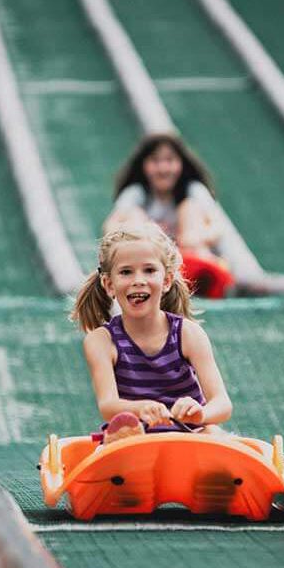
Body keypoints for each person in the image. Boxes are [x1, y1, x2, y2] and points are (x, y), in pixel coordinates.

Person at [71, 223, 232, 444]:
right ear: (109, 285)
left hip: (189, 435)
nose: (138, 280)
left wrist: (200, 413)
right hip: (133, 437)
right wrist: (142, 408)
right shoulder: (102, 340)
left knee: (214, 435)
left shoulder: (187, 334)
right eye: (126, 272)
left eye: (149, 270)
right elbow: (108, 405)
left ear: (166, 280)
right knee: (113, 442)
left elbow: (222, 403)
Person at [104, 133, 235, 298]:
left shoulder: (192, 190)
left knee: (189, 208)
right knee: (134, 216)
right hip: (152, 258)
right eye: (155, 161)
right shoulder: (138, 193)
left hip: (189, 257)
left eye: (169, 161)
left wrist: (193, 238)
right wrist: (150, 231)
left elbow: (217, 226)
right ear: (144, 165)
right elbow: (110, 226)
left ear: (180, 164)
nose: (163, 168)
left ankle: (198, 267)